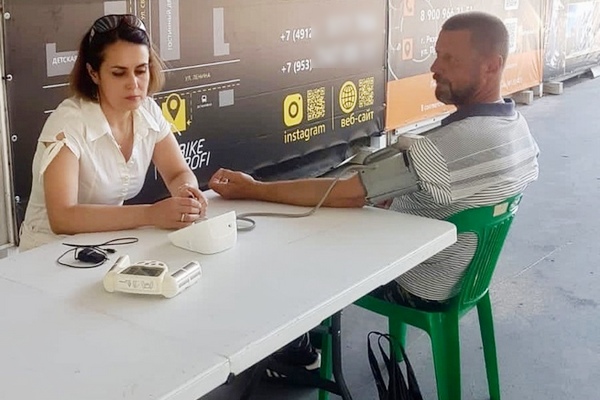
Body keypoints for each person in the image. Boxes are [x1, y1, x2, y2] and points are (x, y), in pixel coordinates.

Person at [208, 11, 539, 372]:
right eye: (436, 55)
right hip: (466, 276)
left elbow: (346, 193)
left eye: (450, 59)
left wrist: (254, 188)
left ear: (492, 66)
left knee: (296, 243)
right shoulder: (516, 127)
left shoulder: (452, 144)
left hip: (421, 283)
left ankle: (299, 355)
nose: (434, 67)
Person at [19, 14, 207, 251]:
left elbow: (177, 172)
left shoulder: (148, 110)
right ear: (93, 73)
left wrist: (187, 194)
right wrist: (151, 214)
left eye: (141, 70)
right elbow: (62, 218)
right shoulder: (68, 123)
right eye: (119, 73)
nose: (134, 83)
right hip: (45, 253)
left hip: (104, 246)